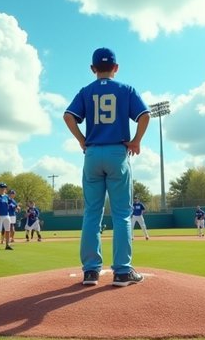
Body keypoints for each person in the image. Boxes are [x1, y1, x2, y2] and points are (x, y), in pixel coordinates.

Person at [63, 47, 150, 287]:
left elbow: (68, 116)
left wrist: (82, 140)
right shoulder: (126, 89)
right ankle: (122, 271)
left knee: (92, 213)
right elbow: (145, 115)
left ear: (93, 69)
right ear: (116, 67)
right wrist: (137, 140)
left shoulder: (86, 91)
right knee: (122, 214)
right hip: (117, 152)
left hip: (92, 153)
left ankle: (91, 272)